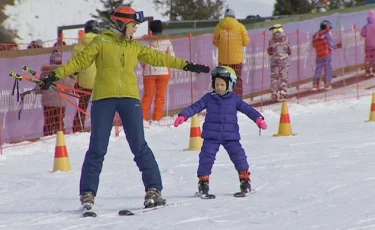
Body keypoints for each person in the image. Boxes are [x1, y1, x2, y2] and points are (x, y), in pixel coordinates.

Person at [39, 6, 210, 210]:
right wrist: (54, 76)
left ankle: (154, 188)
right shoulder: (101, 42)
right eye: (132, 25)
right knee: (97, 148)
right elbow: (79, 62)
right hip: (104, 99)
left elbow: (160, 58)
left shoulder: (133, 46)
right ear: (121, 24)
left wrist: (187, 65)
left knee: (139, 145)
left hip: (130, 99)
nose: (135, 29)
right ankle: (87, 192)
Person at [173, 66, 267, 196]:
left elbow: (247, 109)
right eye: (217, 84)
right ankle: (203, 182)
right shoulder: (208, 98)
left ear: (230, 85)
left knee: (239, 156)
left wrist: (258, 119)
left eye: (222, 84)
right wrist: (183, 115)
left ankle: (245, 180)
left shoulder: (235, 99)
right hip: (211, 136)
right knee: (206, 158)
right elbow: (196, 107)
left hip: (231, 136)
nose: (219, 87)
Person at [33, 51, 75, 136]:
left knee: (48, 122)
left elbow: (38, 90)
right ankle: (60, 139)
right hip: (60, 102)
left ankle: (47, 138)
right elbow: (69, 87)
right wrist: (73, 78)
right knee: (59, 123)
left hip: (47, 102)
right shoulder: (63, 73)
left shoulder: (44, 74)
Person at [141, 20, 174, 123]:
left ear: (150, 29)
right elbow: (172, 57)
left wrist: (145, 66)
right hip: (163, 71)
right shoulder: (166, 41)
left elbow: (141, 57)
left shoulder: (145, 41)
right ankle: (157, 118)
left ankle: (143, 118)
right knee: (160, 96)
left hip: (149, 72)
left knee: (147, 96)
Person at [212, 8, 250, 98]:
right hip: (236, 60)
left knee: (223, 80)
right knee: (237, 79)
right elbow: (246, 42)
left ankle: (224, 99)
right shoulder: (241, 27)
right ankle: (238, 99)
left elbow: (215, 42)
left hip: (223, 60)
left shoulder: (219, 27)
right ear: (234, 16)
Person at [72, 20, 100, 133]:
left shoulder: (78, 47)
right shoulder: (102, 44)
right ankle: (99, 127)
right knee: (100, 107)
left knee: (82, 107)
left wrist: (76, 81)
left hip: (84, 81)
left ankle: (78, 128)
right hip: (100, 80)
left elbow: (75, 67)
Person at [312, 20, 342, 90]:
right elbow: (331, 46)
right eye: (329, 28)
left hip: (319, 54)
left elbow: (313, 45)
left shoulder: (315, 35)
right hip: (327, 54)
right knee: (328, 69)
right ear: (327, 27)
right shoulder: (327, 35)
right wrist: (338, 46)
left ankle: (315, 84)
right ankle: (327, 84)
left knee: (318, 70)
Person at [267, 24, 291, 101]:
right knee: (283, 76)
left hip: (274, 61)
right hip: (284, 60)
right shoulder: (286, 38)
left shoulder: (271, 40)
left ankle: (274, 93)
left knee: (274, 77)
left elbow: (269, 52)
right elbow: (289, 50)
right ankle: (283, 92)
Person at [361, 10, 375, 77]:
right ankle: (374, 71)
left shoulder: (365, 26)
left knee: (368, 58)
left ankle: (368, 72)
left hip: (368, 45)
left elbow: (362, 34)